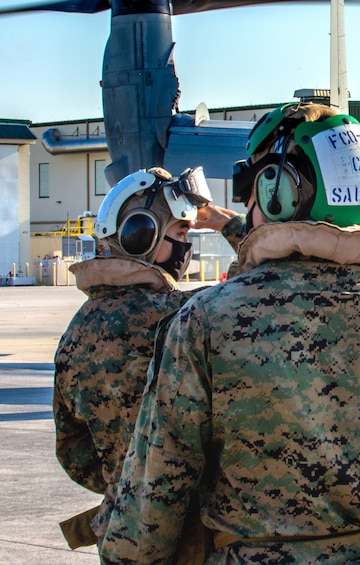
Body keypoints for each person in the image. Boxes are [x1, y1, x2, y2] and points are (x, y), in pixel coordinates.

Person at [99, 102, 360, 565]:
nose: (245, 202)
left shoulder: (205, 321)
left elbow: (150, 503)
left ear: (276, 191)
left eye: (249, 184)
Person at [52, 166, 244, 554]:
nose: (185, 248)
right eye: (179, 235)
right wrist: (230, 224)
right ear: (141, 236)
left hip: (127, 534)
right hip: (202, 537)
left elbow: (74, 452)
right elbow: (265, 285)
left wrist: (127, 477)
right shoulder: (190, 314)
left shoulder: (75, 334)